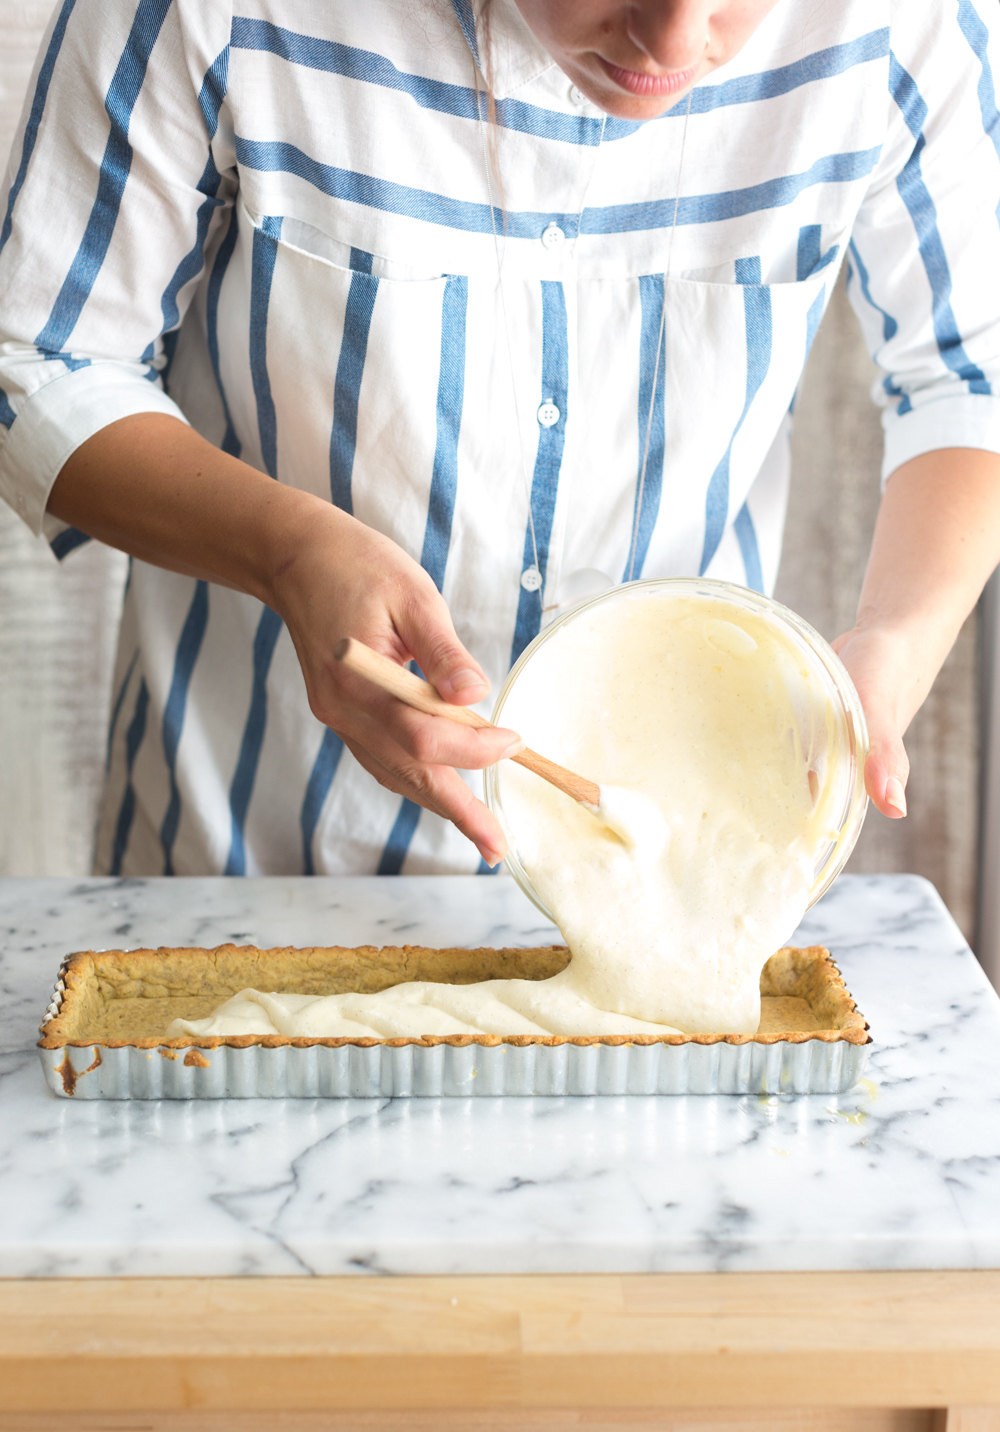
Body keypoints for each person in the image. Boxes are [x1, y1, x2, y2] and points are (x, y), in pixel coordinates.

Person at [1, 0, 999, 878]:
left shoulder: (905, 26)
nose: (674, 41)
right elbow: (38, 362)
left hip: (675, 879)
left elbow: (972, 377)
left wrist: (897, 639)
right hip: (244, 857)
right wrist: (289, 552)